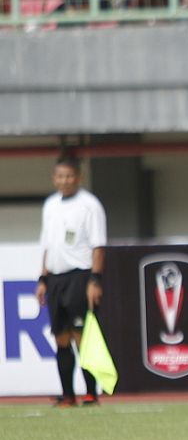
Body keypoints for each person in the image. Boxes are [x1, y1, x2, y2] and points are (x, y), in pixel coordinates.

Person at [36, 153, 107, 408]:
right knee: (61, 337)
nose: (65, 180)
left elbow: (99, 245)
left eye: (69, 176)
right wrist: (43, 278)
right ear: (54, 179)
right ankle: (67, 395)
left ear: (79, 177)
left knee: (81, 336)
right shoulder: (50, 205)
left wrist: (95, 280)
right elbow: (47, 245)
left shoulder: (90, 205)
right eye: (60, 176)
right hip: (56, 278)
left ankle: (91, 393)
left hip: (80, 276)